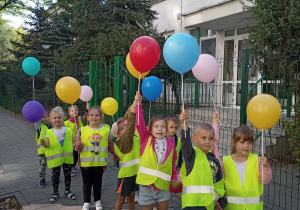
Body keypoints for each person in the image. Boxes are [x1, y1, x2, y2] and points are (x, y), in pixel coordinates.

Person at [135, 92, 179, 210]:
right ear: (150, 129)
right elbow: (139, 124)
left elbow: (173, 162)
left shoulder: (171, 142)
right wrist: (138, 104)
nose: (160, 129)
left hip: (163, 185)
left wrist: (174, 178)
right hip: (146, 184)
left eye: (163, 126)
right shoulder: (146, 139)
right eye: (156, 126)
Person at [179, 109, 227, 210]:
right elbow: (185, 143)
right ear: (195, 139)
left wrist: (220, 201)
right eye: (203, 138)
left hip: (208, 205)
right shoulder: (191, 155)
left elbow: (218, 183)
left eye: (210, 138)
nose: (207, 141)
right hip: (192, 204)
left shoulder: (215, 161)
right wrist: (185, 123)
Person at [75, 106, 118, 210]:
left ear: (101, 117)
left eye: (97, 115)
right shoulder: (82, 130)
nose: (94, 117)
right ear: (88, 117)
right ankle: (86, 202)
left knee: (98, 183)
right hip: (85, 164)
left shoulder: (105, 130)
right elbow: (76, 146)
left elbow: (110, 144)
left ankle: (98, 201)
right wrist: (78, 145)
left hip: (99, 163)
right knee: (86, 183)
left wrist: (115, 155)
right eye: (91, 115)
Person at [223, 125, 272, 209]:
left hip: (254, 207)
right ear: (234, 143)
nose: (246, 146)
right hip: (232, 207)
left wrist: (266, 167)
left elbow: (266, 181)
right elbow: (221, 185)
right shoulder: (225, 162)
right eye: (242, 142)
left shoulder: (257, 160)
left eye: (249, 142)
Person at [40, 106, 76, 202]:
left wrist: (79, 143)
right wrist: (43, 143)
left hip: (67, 158)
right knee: (55, 176)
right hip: (55, 159)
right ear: (51, 119)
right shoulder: (49, 132)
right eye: (55, 118)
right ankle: (55, 192)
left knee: (67, 175)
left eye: (59, 117)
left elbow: (74, 141)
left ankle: (67, 191)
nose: (57, 120)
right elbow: (48, 145)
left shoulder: (67, 130)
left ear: (63, 118)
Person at [112, 92, 141, 210]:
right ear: (117, 134)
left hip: (134, 173)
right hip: (126, 175)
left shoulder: (132, 137)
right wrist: (135, 101)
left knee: (132, 196)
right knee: (121, 199)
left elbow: (129, 118)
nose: (125, 127)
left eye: (124, 126)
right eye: (122, 128)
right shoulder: (123, 141)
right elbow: (131, 121)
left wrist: (136, 104)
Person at [64, 103, 89, 177]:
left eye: (76, 110)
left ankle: (73, 165)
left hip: (79, 139)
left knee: (77, 154)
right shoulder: (67, 123)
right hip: (71, 141)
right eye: (72, 111)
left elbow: (85, 116)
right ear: (69, 113)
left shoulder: (79, 119)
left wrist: (87, 109)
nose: (74, 112)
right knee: (72, 155)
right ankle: (70, 168)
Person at [34, 110, 52, 188]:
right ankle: (42, 179)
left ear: (49, 117)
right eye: (41, 118)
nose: (43, 119)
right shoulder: (39, 126)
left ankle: (54, 177)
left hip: (52, 150)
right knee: (42, 166)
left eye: (44, 117)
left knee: (54, 165)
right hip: (43, 151)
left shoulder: (52, 125)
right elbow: (35, 120)